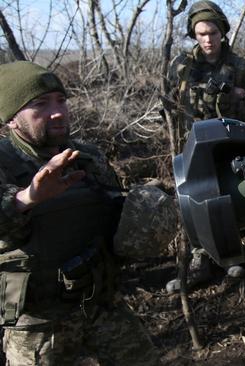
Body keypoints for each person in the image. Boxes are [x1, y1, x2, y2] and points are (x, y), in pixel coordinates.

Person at [0, 61, 162, 365]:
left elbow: (113, 214)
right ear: (11, 119)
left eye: (61, 100)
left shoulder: (87, 157)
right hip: (38, 323)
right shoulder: (4, 163)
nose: (57, 111)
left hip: (101, 303)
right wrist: (27, 199)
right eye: (40, 105)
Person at [164, 0, 245, 291]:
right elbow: (169, 103)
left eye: (212, 33)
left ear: (222, 32)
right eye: (201, 34)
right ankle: (200, 260)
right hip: (192, 147)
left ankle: (230, 255)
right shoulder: (182, 66)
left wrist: (242, 94)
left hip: (227, 146)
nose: (208, 39)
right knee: (194, 200)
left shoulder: (238, 66)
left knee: (225, 198)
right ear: (194, 35)